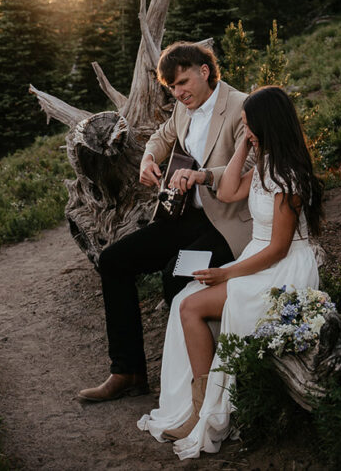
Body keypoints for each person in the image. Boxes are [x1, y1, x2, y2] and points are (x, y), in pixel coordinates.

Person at [137, 85, 324, 459]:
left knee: (191, 307)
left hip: (281, 268)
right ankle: (195, 406)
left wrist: (227, 274)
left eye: (248, 124)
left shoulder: (288, 177)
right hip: (258, 258)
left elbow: (279, 248)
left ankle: (209, 413)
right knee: (183, 302)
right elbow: (227, 192)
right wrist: (245, 146)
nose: (244, 128)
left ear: (266, 124)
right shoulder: (267, 164)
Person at [77, 42, 254, 402]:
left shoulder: (240, 106)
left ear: (205, 71)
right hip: (186, 216)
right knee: (113, 261)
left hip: (228, 224)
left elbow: (252, 169)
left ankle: (193, 380)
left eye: (183, 83)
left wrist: (202, 175)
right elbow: (162, 136)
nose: (178, 93)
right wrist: (147, 158)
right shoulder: (184, 108)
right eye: (172, 87)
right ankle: (127, 371)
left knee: (176, 273)